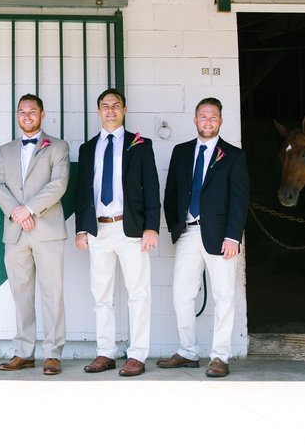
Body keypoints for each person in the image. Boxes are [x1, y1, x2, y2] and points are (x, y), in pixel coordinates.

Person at [157, 97, 249, 377]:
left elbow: (239, 199)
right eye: (202, 117)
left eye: (213, 117)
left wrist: (233, 236)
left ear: (220, 121)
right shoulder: (181, 152)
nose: (207, 122)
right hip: (188, 232)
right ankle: (187, 351)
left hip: (221, 237)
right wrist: (175, 226)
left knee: (224, 296)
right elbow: (171, 193)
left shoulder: (233, 155)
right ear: (195, 120)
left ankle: (220, 356)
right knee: (181, 295)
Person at [74, 88, 159, 377]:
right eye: (105, 106)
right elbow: (82, 191)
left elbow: (152, 188)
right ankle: (105, 353)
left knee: (138, 293)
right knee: (101, 295)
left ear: (124, 110)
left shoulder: (140, 145)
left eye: (116, 105)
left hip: (131, 229)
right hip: (98, 230)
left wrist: (151, 227)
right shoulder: (88, 149)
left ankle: (137, 355)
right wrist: (82, 228)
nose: (110, 110)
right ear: (98, 111)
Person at [0, 94, 70, 375]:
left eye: (32, 111)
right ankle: (24, 352)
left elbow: (58, 184)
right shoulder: (6, 150)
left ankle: (53, 353)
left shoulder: (58, 147)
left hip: (47, 230)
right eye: (22, 112)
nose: (27, 116)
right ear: (17, 115)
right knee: (21, 293)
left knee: (52, 292)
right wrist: (15, 211)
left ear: (42, 114)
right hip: (15, 232)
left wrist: (28, 209)